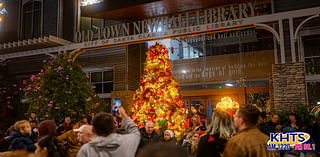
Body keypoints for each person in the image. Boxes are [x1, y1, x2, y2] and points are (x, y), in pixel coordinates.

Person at [76, 107, 140, 157]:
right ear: (114, 126)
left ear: (93, 130)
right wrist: (124, 115)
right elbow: (135, 131)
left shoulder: (86, 150)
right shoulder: (127, 142)